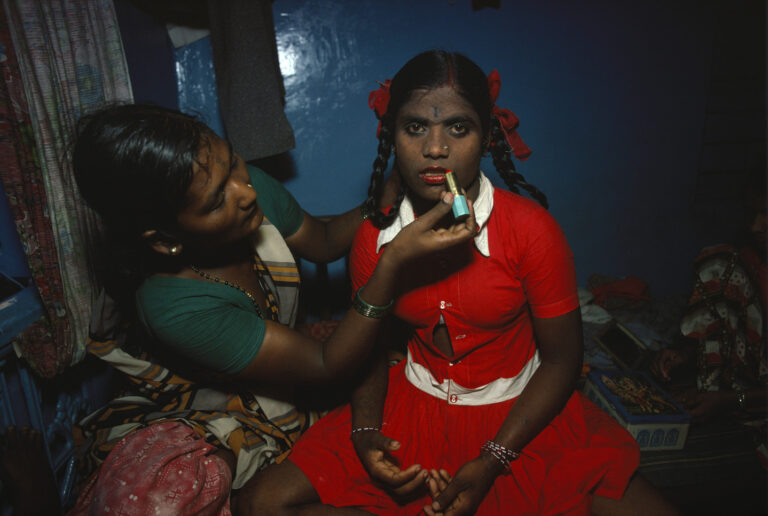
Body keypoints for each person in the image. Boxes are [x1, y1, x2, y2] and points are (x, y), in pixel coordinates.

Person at [242, 50, 679, 515]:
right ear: (391, 134)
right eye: (415, 127)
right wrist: (366, 430)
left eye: (457, 127)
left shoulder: (532, 230)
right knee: (261, 504)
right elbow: (369, 348)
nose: (435, 148)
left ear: (487, 137)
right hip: (412, 405)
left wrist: (493, 459)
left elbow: (562, 362)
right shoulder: (375, 235)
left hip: (518, 415)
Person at [63, 103, 477, 514]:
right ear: (164, 239)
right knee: (183, 493)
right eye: (215, 201)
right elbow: (324, 364)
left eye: (233, 163)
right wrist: (390, 264)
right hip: (207, 406)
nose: (246, 192)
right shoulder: (171, 306)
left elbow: (324, 240)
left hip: (304, 372)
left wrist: (386, 199)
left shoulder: (242, 189)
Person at [652, 173, 766, 422]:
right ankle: (709, 389)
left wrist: (731, 401)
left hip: (752, 394)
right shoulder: (749, 261)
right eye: (751, 214)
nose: (755, 226)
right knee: (717, 263)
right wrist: (685, 354)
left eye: (765, 214)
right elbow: (727, 328)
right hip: (746, 377)